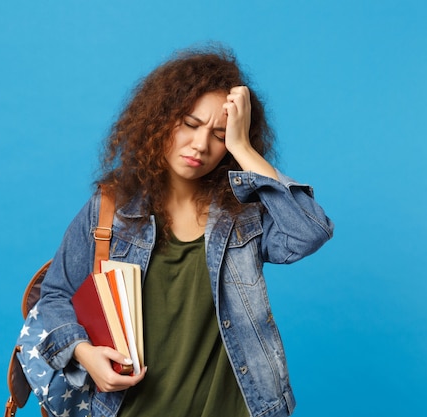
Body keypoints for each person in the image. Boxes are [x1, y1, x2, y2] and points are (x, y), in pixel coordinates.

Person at [36, 45, 334, 417]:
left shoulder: (243, 214)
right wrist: (84, 354)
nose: (200, 145)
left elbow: (309, 232)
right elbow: (54, 295)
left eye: (220, 135)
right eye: (191, 125)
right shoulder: (110, 210)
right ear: (160, 120)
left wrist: (243, 150)